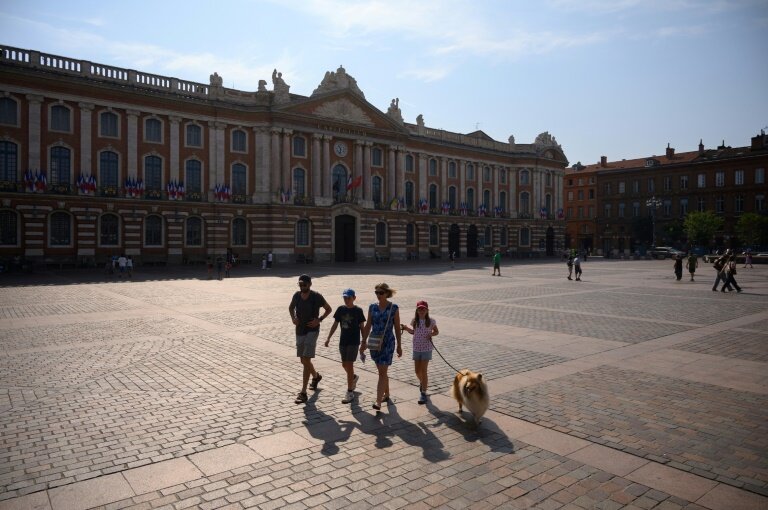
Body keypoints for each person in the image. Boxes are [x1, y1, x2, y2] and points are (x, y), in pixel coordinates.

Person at [289, 274, 332, 404]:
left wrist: (319, 320)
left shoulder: (316, 296)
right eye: (300, 284)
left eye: (304, 284)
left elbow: (328, 309)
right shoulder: (296, 295)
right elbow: (291, 308)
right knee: (303, 360)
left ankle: (303, 392)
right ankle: (316, 376)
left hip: (312, 331)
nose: (302, 287)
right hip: (300, 330)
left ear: (310, 284)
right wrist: (293, 318)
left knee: (306, 359)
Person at [360, 283, 402, 411]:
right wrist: (363, 342)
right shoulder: (372, 307)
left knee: (382, 372)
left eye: (381, 293)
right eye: (376, 293)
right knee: (382, 372)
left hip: (388, 342)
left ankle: (378, 401)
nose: (378, 295)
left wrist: (399, 345)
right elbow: (368, 326)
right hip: (374, 342)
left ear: (386, 293)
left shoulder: (393, 308)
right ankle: (387, 394)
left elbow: (396, 327)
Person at [325, 288, 366, 404]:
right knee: (344, 364)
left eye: (348, 298)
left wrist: (364, 341)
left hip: (354, 341)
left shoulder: (358, 310)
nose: (346, 300)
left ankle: (349, 392)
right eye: (345, 298)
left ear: (354, 298)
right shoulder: (340, 309)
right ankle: (353, 378)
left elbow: (362, 327)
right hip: (343, 341)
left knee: (349, 364)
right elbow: (335, 324)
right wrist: (328, 338)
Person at [400, 300, 439, 405]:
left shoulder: (431, 321)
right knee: (417, 371)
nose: (421, 311)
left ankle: (423, 392)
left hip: (426, 348)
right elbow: (413, 332)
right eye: (419, 309)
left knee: (424, 370)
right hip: (416, 348)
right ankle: (423, 383)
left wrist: (431, 334)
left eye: (423, 309)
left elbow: (436, 331)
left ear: (427, 310)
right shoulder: (415, 321)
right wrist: (406, 328)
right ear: (417, 310)